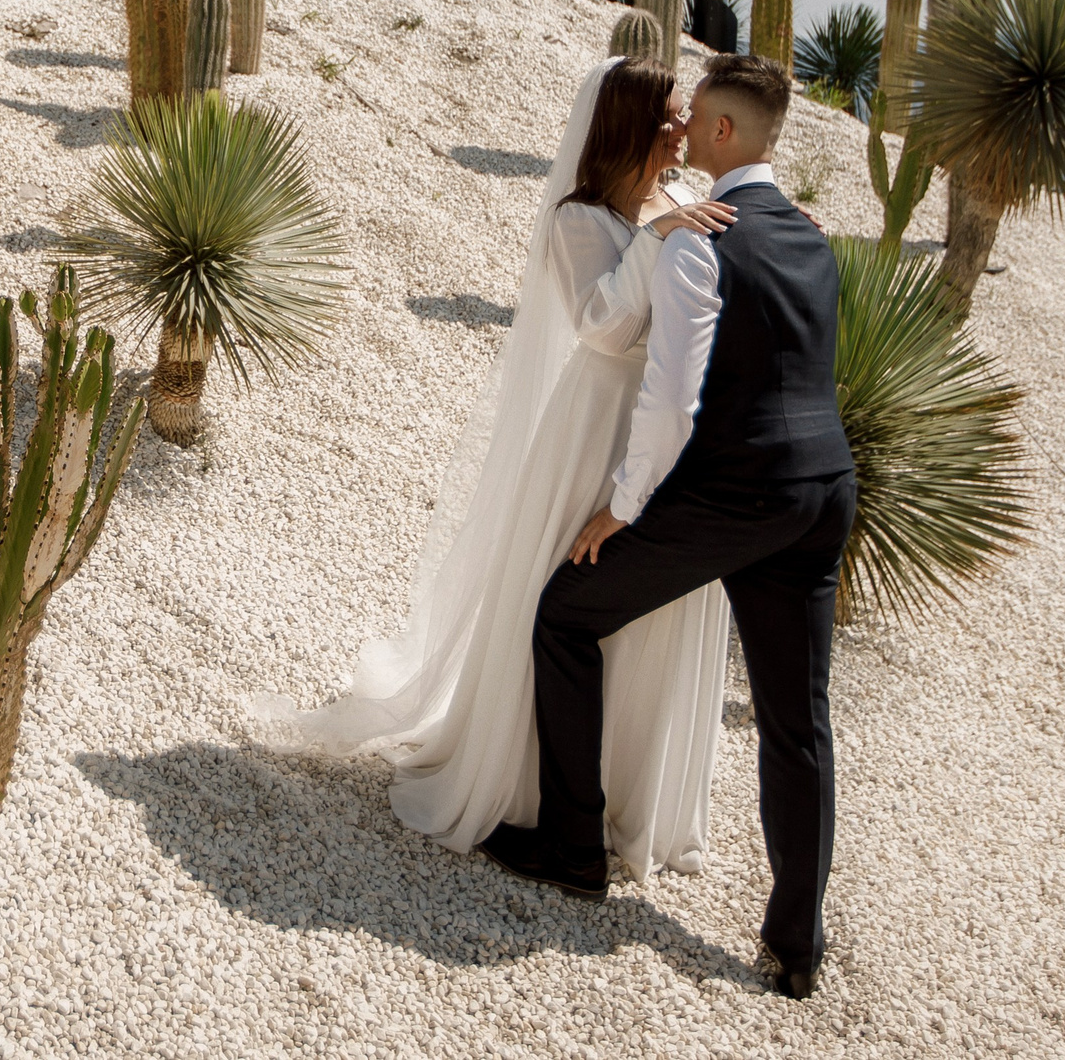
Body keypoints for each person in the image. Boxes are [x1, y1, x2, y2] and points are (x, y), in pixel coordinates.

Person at [255, 56, 740, 875]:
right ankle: (538, 787)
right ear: (627, 125)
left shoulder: (686, 204)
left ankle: (629, 796)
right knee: (566, 591)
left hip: (666, 429)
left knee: (647, 610)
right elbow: (603, 328)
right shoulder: (580, 220)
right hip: (596, 425)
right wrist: (654, 240)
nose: (680, 130)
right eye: (665, 116)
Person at [476, 52, 856, 1002]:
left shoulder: (697, 241)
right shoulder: (813, 237)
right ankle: (795, 947)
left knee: (565, 614)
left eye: (695, 122)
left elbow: (674, 397)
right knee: (797, 721)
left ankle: (572, 845)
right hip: (825, 494)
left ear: (721, 131)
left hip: (732, 499)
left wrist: (623, 506)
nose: (683, 136)